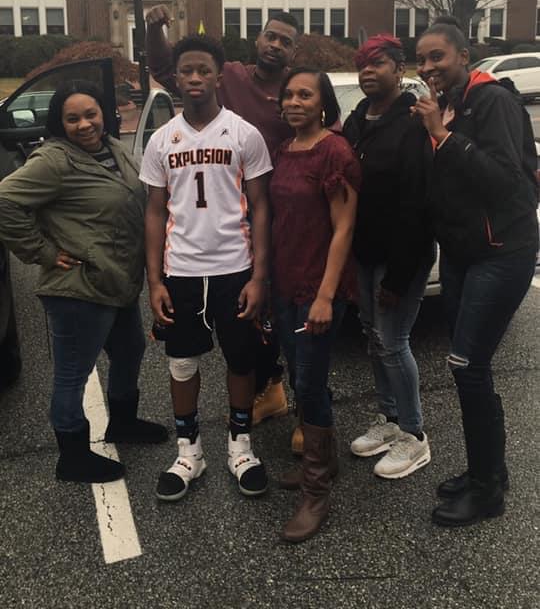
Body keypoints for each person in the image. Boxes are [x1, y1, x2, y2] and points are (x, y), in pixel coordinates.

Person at [0, 80, 167, 485]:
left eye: (90, 114)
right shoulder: (54, 160)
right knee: (73, 373)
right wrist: (41, 252)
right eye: (72, 119)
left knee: (129, 350)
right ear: (60, 124)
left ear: (104, 113)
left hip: (116, 279)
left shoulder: (113, 147)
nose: (84, 124)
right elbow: (5, 200)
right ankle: (73, 457)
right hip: (79, 287)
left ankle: (123, 422)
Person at [146, 5, 298, 427]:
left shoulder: (294, 90)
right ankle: (265, 390)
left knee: (270, 315)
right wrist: (154, 29)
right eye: (271, 36)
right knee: (235, 327)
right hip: (227, 212)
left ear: (294, 52)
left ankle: (286, 396)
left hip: (280, 209)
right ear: (258, 38)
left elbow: (325, 128)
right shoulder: (229, 75)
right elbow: (166, 66)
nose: (275, 45)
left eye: (285, 41)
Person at [413, 16, 538, 527]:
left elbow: (508, 183)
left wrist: (442, 135)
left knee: (468, 366)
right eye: (421, 60)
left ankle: (487, 490)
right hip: (463, 253)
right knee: (470, 367)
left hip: (501, 252)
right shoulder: (448, 105)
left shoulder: (492, 102)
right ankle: (488, 471)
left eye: (437, 56)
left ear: (464, 57)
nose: (428, 67)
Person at [141, 34, 272, 502]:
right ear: (175, 78)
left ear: (219, 76)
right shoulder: (161, 139)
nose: (195, 78)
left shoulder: (244, 133)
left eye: (203, 70)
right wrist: (154, 279)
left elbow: (261, 207)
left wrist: (259, 275)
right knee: (181, 362)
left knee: (241, 359)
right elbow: (155, 211)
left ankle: (241, 446)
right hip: (181, 270)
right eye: (186, 70)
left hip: (234, 268)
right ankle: (189, 451)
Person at [270, 68, 361, 542]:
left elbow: (344, 228)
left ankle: (316, 491)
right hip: (285, 284)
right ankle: (322, 460)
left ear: (323, 103)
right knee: (304, 378)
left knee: (308, 382)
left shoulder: (335, 152)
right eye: (288, 94)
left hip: (319, 289)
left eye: (304, 95)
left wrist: (326, 296)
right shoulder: (285, 149)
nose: (294, 102)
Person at [343, 34, 434, 479]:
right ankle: (390, 418)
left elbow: (418, 203)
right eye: (362, 64)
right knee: (372, 336)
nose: (367, 71)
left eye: (377, 63)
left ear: (399, 70)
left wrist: (398, 276)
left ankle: (414, 435)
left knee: (393, 340)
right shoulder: (357, 120)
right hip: (364, 251)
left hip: (402, 254)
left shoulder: (412, 123)